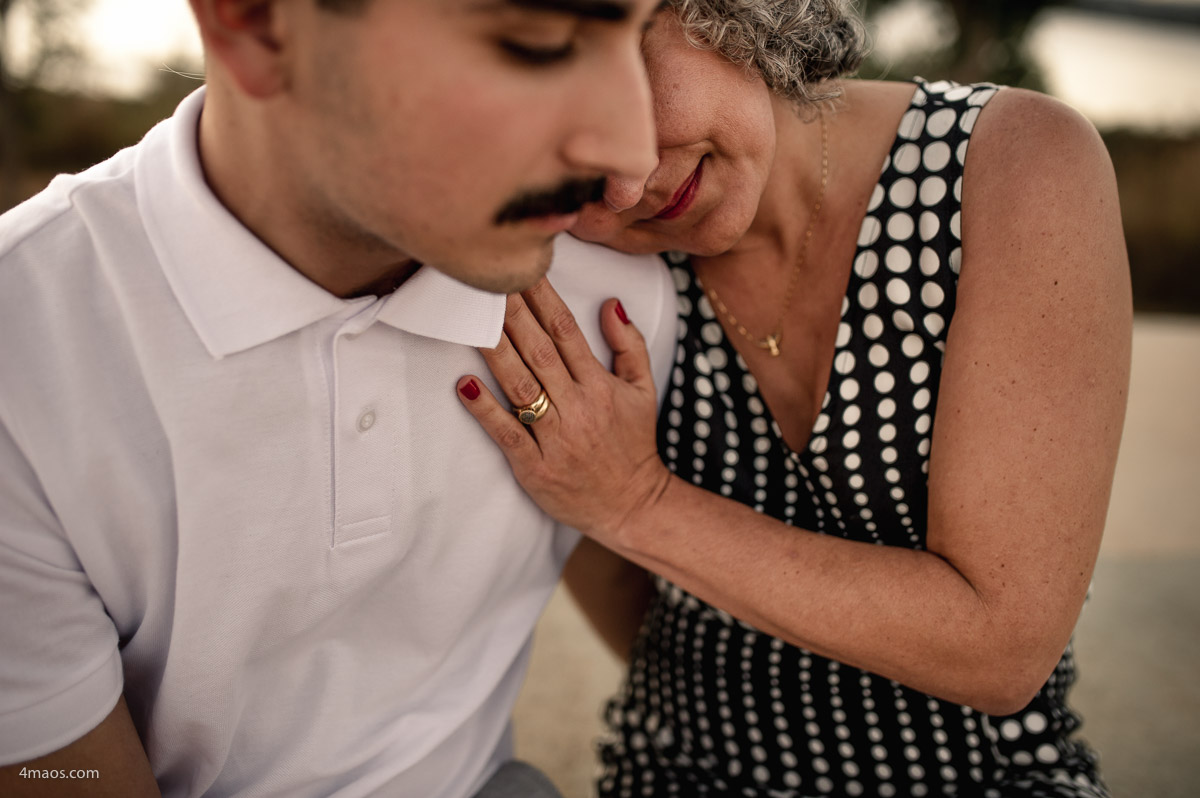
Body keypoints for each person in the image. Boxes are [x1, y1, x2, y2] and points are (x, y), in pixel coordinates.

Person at [0, 0, 679, 796]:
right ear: (254, 25)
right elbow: (61, 773)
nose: (630, 164)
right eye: (540, 45)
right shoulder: (23, 350)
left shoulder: (619, 298)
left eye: (638, 36)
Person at [457, 0, 1132, 795]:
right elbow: (614, 586)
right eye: (562, 160)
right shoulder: (586, 265)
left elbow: (1001, 649)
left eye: (631, 71)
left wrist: (637, 502)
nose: (628, 184)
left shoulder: (1014, 165)